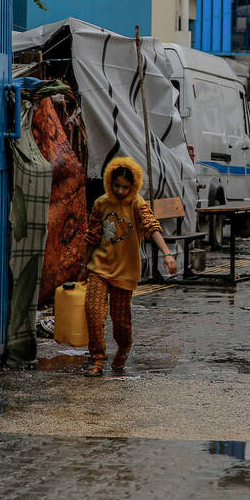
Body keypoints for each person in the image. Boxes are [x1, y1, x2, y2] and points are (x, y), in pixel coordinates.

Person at [82, 156, 178, 377]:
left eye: (126, 187)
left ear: (133, 186)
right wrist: (83, 264)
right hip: (99, 267)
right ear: (109, 181)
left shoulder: (137, 203)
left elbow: (151, 226)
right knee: (93, 312)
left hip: (126, 271)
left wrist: (167, 254)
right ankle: (97, 359)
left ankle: (124, 347)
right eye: (116, 185)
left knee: (121, 321)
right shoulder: (101, 203)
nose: (121, 190)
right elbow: (93, 236)